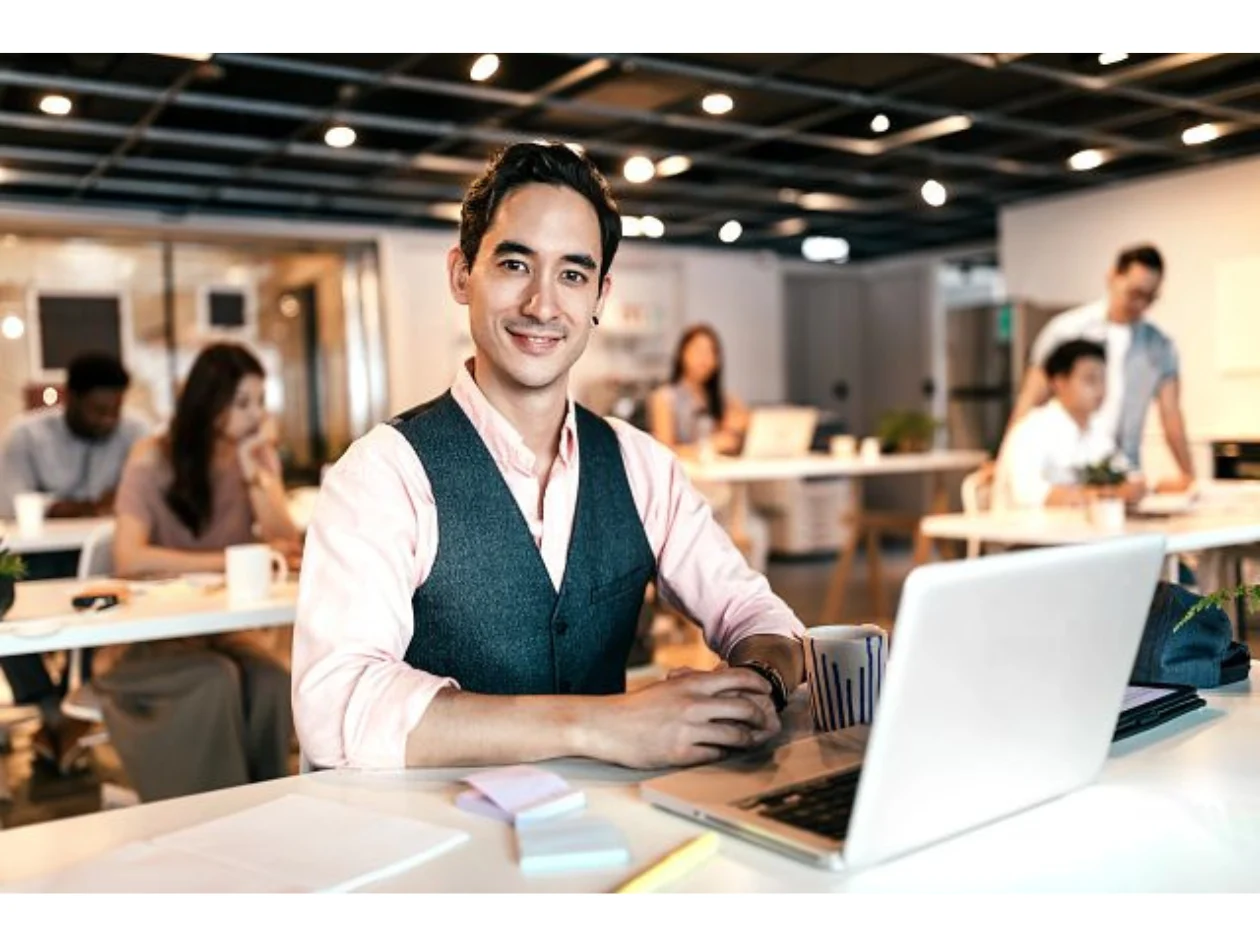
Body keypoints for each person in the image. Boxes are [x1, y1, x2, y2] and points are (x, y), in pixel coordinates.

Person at [293, 141, 805, 772]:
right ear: (462, 274)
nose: (542, 304)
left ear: (599, 297)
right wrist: (604, 723)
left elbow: (755, 612)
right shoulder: (384, 473)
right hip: (437, 844)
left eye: (572, 274)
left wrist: (757, 687)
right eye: (514, 265)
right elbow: (334, 708)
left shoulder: (639, 465)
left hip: (607, 835)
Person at [95, 342, 300, 802]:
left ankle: (263, 805)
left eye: (260, 403)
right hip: (145, 635)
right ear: (210, 401)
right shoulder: (152, 458)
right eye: (242, 402)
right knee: (214, 678)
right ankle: (209, 813)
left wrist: (257, 476)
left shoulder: (249, 458)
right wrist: (226, 561)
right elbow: (129, 558)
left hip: (213, 632)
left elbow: (285, 544)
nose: (255, 416)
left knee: (271, 678)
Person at [0, 352, 147, 773]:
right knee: (8, 605)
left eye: (115, 410)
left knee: (106, 594)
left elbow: (149, 492)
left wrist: (65, 505)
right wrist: (81, 505)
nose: (107, 420)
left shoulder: (135, 431)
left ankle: (64, 714)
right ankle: (52, 710)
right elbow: (12, 502)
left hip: (102, 557)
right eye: (98, 410)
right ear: (71, 399)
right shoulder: (26, 436)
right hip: (34, 558)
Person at [1009, 244, 1193, 493]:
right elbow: (1029, 400)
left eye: (1150, 297)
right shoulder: (1065, 330)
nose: (1140, 304)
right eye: (1135, 292)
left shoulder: (1159, 345)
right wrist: (1005, 459)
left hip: (1119, 469)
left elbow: (1171, 414)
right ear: (1113, 277)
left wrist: (1188, 475)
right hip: (1070, 478)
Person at [994, 340, 1145, 510]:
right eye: (1090, 380)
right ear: (1060, 383)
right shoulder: (1032, 430)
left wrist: (1125, 488)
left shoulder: (1097, 429)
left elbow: (1130, 479)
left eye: (1103, 380)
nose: (1100, 389)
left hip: (1084, 531)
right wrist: (1101, 494)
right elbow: (1028, 493)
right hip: (1032, 532)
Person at [648, 324, 749, 459]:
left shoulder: (726, 400)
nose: (704, 358)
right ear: (682, 353)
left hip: (720, 474)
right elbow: (664, 452)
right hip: (685, 475)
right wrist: (710, 447)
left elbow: (737, 443)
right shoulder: (664, 398)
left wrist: (738, 432)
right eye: (698, 350)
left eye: (711, 352)